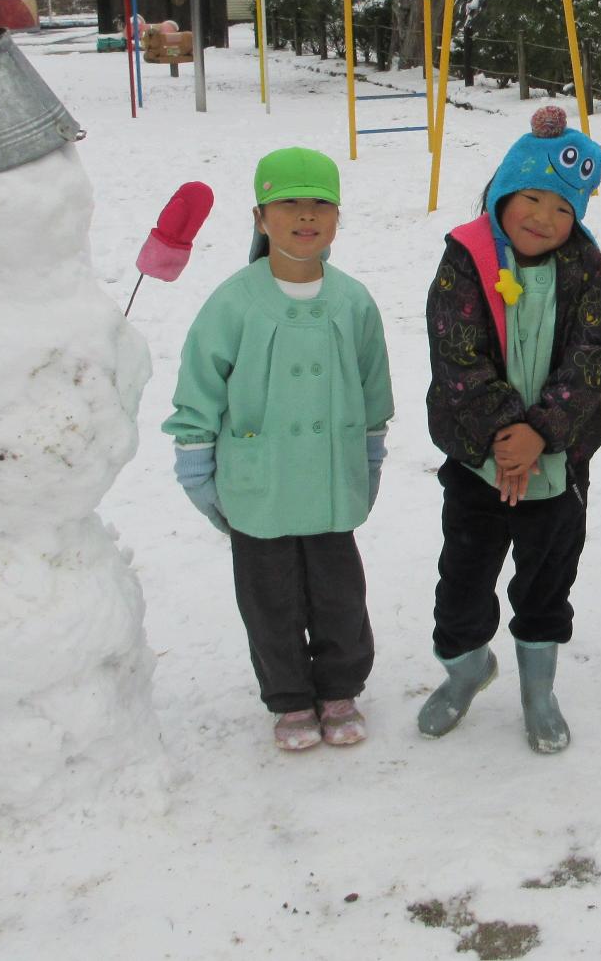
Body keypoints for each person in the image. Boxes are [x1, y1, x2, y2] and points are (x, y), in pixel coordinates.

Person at [164, 147, 393, 750]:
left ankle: (340, 688)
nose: (305, 215)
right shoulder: (235, 301)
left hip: (329, 479)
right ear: (262, 217)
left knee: (340, 592)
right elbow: (200, 384)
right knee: (269, 598)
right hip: (258, 481)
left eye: (320, 202)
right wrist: (195, 462)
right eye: (288, 202)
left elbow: (374, 387)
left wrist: (370, 455)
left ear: (337, 216)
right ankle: (289, 697)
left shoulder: (352, 301)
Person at [419, 106, 601, 752]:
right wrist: (506, 435)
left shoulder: (583, 266)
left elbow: (591, 354)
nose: (544, 218)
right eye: (531, 198)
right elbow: (457, 355)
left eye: (563, 208)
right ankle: (467, 668)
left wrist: (542, 434)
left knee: (545, 583)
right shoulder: (466, 260)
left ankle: (539, 690)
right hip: (479, 463)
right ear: (504, 192)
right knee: (463, 587)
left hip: (557, 467)